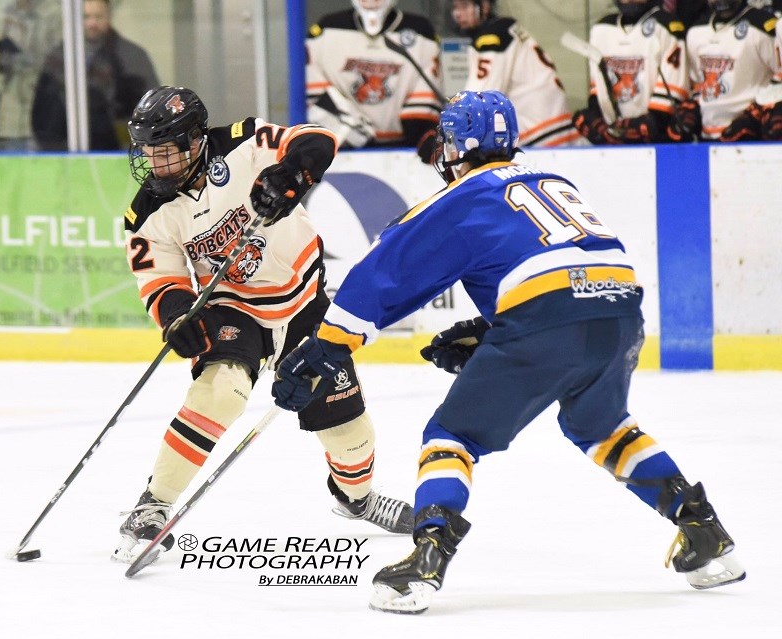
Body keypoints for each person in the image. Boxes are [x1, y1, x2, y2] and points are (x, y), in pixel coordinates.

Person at [271, 90, 746, 614]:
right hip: (619, 306)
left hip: (546, 317)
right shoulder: (553, 180)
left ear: (457, 146)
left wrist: (327, 346)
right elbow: (559, 259)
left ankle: (426, 558)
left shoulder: (463, 194)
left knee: (451, 436)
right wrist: (496, 329)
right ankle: (704, 532)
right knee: (601, 426)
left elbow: (387, 271)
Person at [111, 85, 414, 564]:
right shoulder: (147, 211)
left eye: (165, 152)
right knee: (219, 391)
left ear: (194, 141)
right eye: (148, 152)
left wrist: (291, 171)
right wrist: (175, 316)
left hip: (303, 301)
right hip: (232, 306)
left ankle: (355, 497)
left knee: (350, 432)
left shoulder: (242, 142)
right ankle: (153, 504)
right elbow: (160, 276)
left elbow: (316, 138)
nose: (155, 164)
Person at [305, 0, 443, 163]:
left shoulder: (421, 32)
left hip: (404, 155)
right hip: (341, 153)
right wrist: (352, 131)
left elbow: (422, 107)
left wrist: (423, 134)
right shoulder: (325, 30)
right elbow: (312, 93)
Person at [31, 0, 159, 150]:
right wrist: (52, 149)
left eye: (98, 17)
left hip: (119, 153)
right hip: (64, 154)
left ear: (109, 16)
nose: (92, 23)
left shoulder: (133, 57)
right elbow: (43, 114)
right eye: (86, 17)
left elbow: (151, 111)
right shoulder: (57, 58)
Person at [450, 0, 580, 147]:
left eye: (465, 6)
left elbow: (478, 100)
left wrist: (448, 134)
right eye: (456, 7)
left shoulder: (492, 37)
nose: (458, 14)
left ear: (484, 7)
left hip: (538, 131)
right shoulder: (508, 27)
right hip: (559, 125)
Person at [573, 0, 695, 144]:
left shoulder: (666, 27)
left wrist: (649, 125)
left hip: (658, 147)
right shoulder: (601, 29)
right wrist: (597, 124)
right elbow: (597, 97)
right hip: (610, 152)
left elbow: (666, 110)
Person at [674, 0, 780, 141]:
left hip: (752, 137)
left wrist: (754, 115)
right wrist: (691, 109)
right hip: (707, 137)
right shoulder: (696, 32)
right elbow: (699, 84)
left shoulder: (763, 27)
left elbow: (779, 80)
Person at [0, 0, 63, 150]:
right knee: (11, 170)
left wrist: (27, 52)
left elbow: (58, 62)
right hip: (10, 116)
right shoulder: (6, 13)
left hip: (40, 112)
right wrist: (0, 53)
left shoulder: (55, 13)